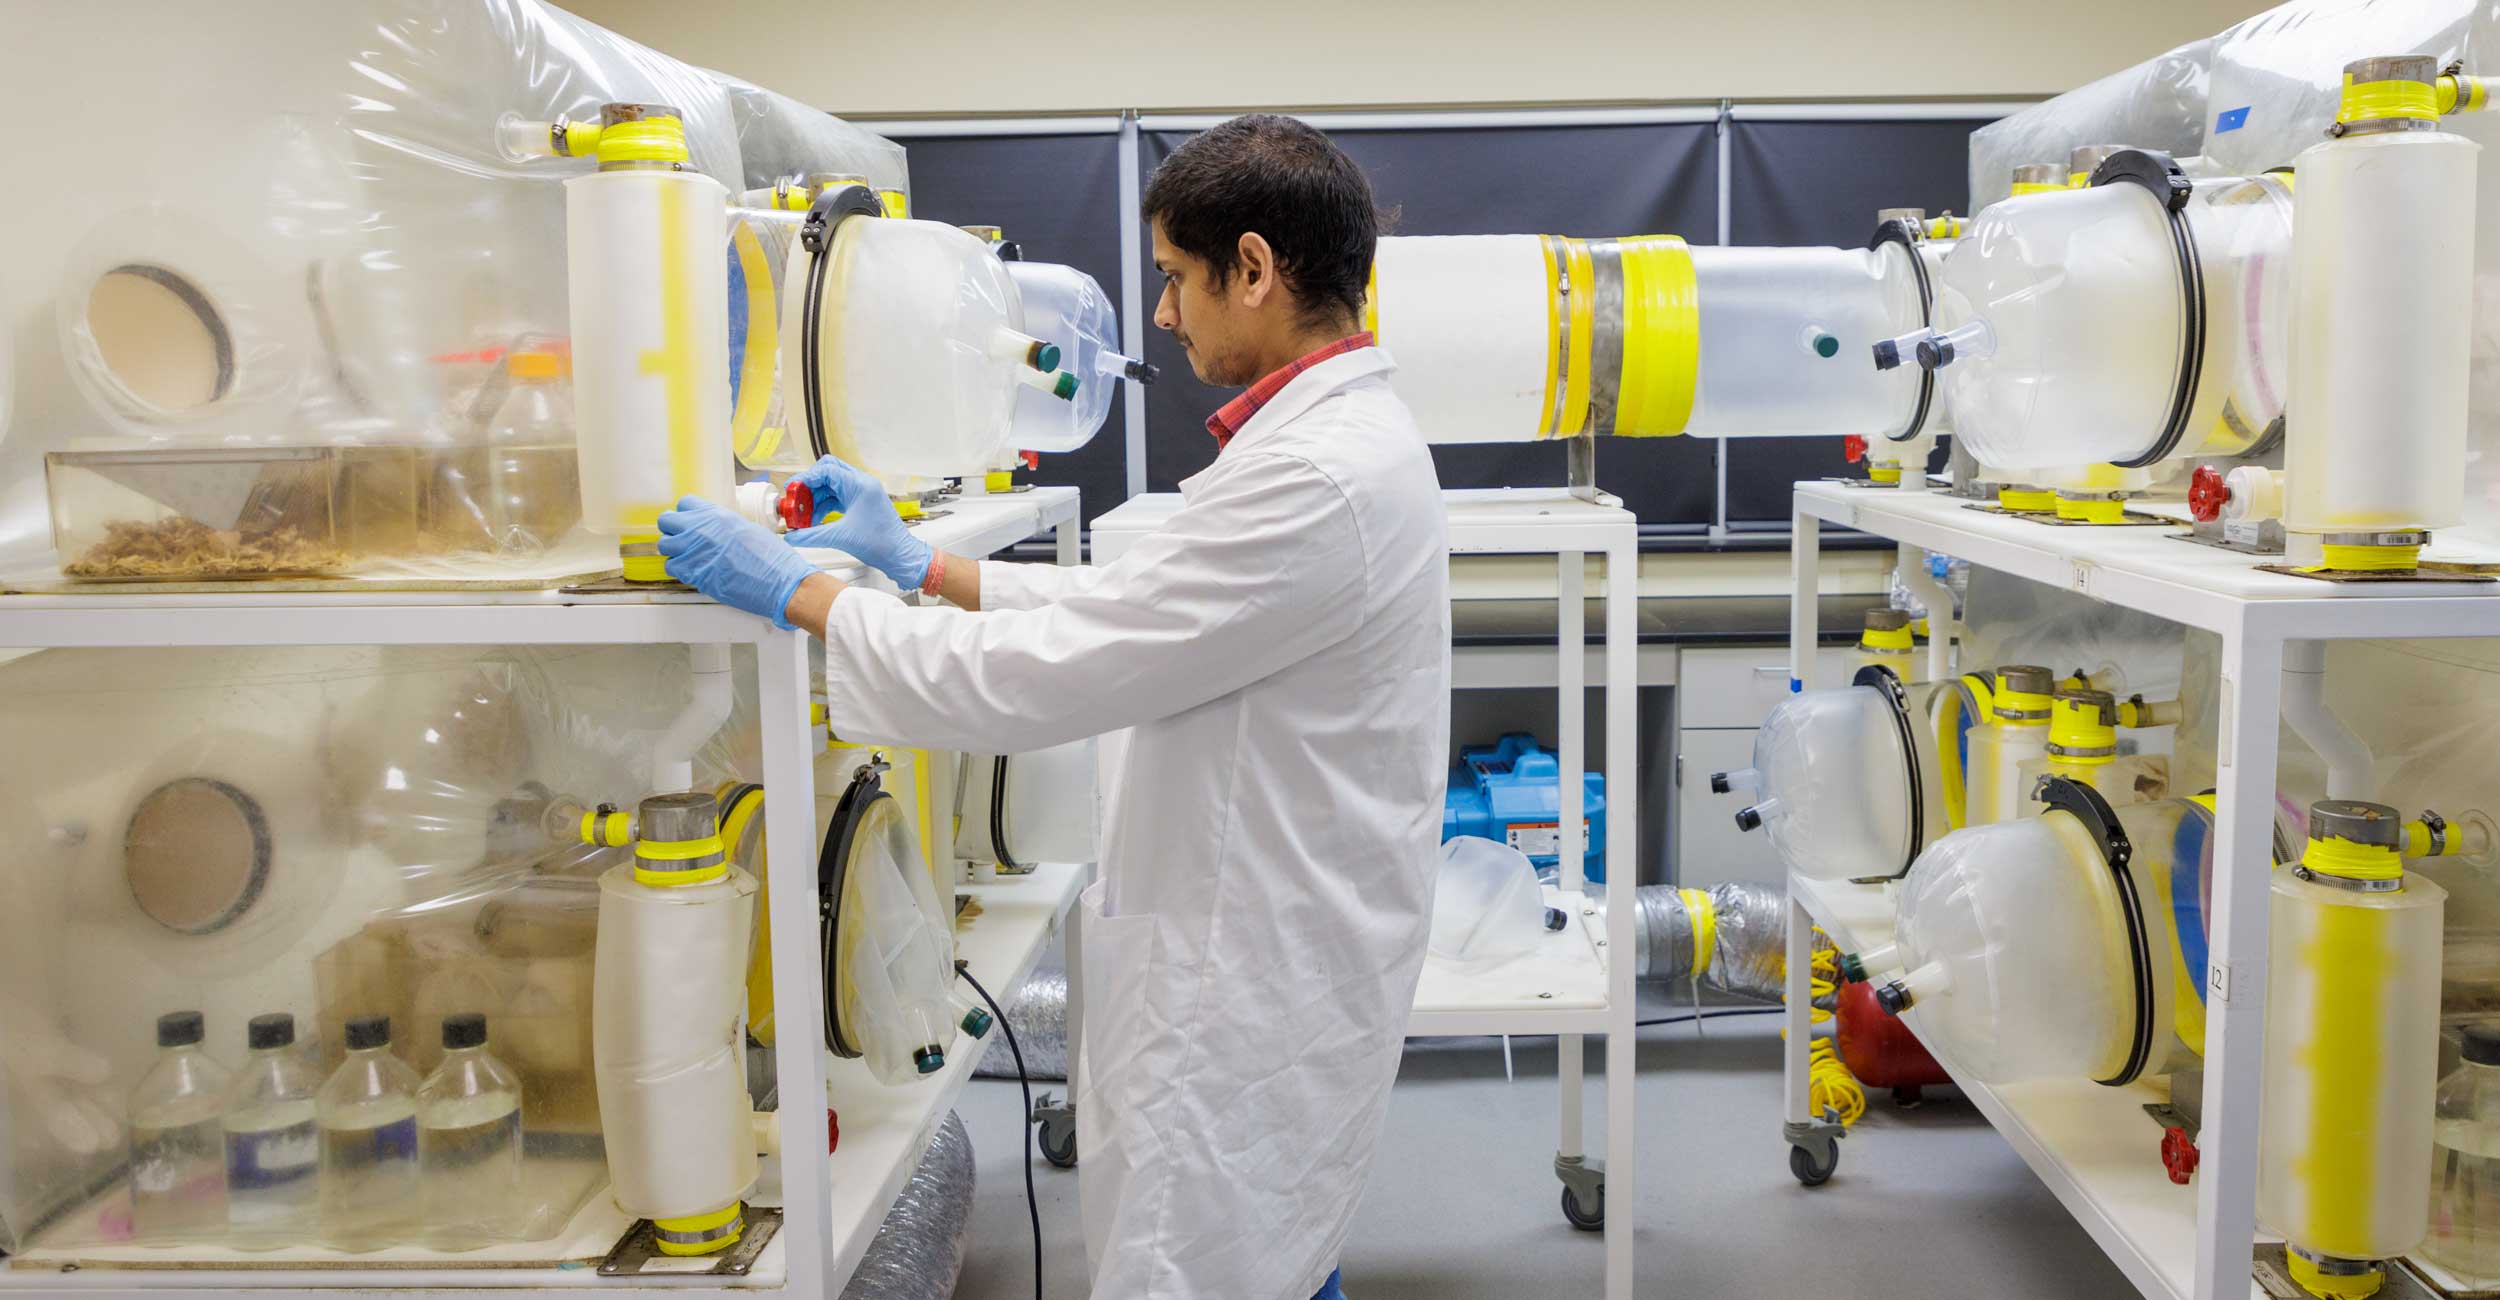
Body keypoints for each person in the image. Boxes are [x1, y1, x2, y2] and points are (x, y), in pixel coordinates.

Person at [656, 114, 1448, 1300]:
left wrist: (804, 595)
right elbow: (1145, 603)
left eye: (1178, 280)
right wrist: (926, 568)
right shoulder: (1335, 446)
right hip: (1263, 955)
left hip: (1242, 988)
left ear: (1254, 267)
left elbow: (1039, 677)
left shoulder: (1315, 477)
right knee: (1273, 1264)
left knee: (1211, 1268)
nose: (1166, 314)